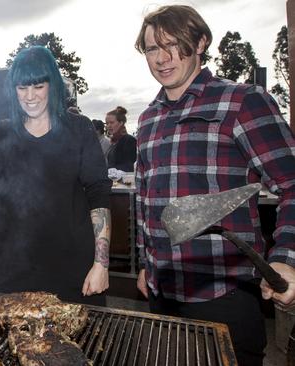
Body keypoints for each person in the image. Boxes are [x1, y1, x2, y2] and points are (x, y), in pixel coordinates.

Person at [133, 5, 295, 366]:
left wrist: (286, 260)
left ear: (201, 42)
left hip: (226, 294)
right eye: (152, 49)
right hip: (164, 292)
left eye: (173, 45)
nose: (162, 59)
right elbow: (146, 201)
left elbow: (291, 184)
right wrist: (146, 263)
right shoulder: (147, 120)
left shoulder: (241, 101)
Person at [0, 46, 112, 305]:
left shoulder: (79, 129)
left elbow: (98, 194)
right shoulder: (2, 131)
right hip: (14, 266)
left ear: (53, 85)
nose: (30, 96)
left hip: (71, 267)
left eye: (38, 86)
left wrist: (101, 264)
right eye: (22, 88)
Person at [105, 106, 136, 172]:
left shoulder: (129, 140)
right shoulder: (114, 141)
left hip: (125, 181)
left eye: (112, 122)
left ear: (121, 123)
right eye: (107, 123)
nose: (109, 126)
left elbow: (129, 166)